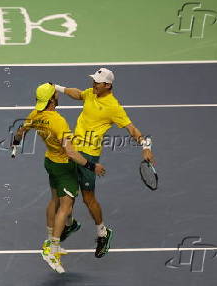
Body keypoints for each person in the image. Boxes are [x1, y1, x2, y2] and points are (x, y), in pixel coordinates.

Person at [54, 68, 155, 258]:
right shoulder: (92, 93)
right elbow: (78, 94)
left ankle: (103, 232)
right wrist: (58, 88)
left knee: (88, 198)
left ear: (107, 85)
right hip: (74, 150)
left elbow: (131, 129)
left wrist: (146, 146)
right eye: (94, 80)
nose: (94, 84)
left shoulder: (113, 107)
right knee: (66, 194)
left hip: (89, 155)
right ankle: (70, 224)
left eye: (98, 82)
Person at [12, 83, 105, 273]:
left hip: (50, 163)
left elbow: (21, 130)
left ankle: (50, 241)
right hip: (64, 167)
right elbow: (70, 152)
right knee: (66, 206)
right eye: (55, 94)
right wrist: (91, 165)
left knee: (54, 200)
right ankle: (52, 250)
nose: (57, 95)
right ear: (52, 100)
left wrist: (15, 143)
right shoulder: (58, 121)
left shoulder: (35, 115)